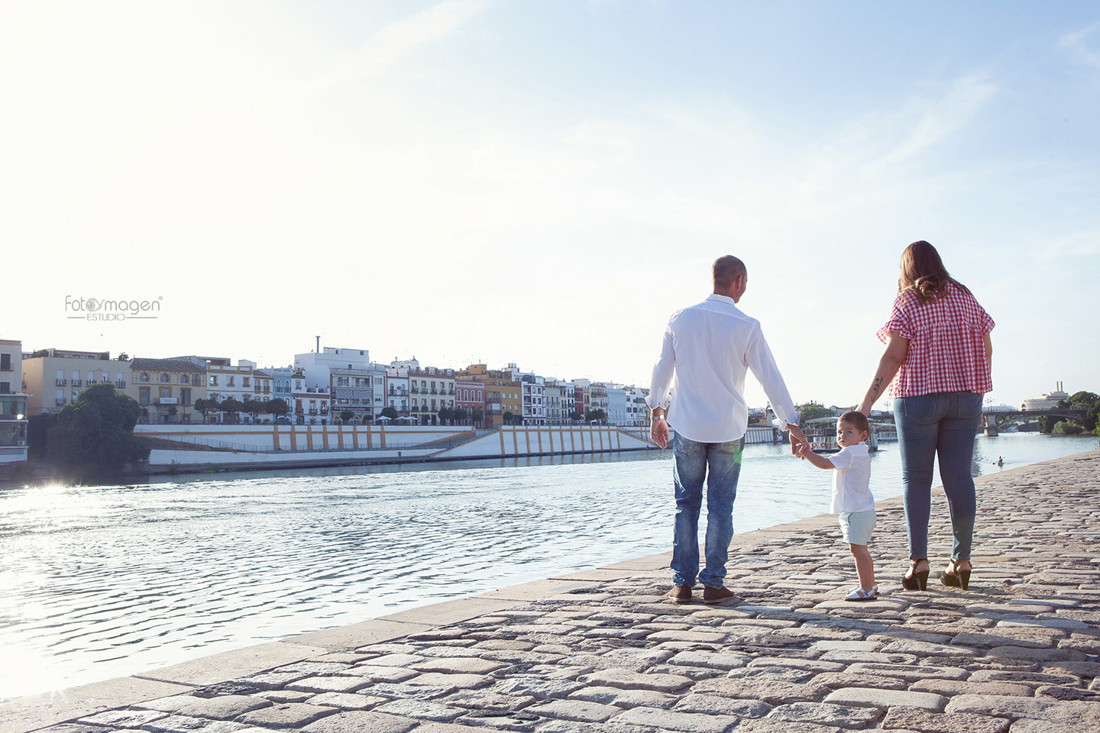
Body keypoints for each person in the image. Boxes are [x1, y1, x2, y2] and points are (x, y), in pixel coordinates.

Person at [648, 255, 808, 604]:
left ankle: (682, 583)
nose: (745, 288)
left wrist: (657, 413)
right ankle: (714, 584)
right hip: (729, 432)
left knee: (685, 504)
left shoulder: (681, 319)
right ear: (738, 280)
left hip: (688, 426)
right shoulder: (747, 325)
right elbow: (770, 376)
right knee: (721, 506)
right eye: (746, 282)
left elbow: (662, 369)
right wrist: (790, 423)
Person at [857, 241, 994, 592]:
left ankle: (919, 565)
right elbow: (986, 346)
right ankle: (960, 561)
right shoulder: (965, 296)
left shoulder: (908, 299)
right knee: (959, 479)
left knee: (917, 480)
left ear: (907, 269)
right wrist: (977, 393)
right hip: (966, 398)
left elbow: (893, 357)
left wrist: (865, 406)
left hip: (919, 398)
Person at [796, 411, 877, 601]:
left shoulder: (849, 453)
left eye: (849, 432)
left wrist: (807, 453)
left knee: (858, 551)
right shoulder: (861, 451)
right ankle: (869, 584)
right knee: (861, 550)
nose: (842, 436)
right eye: (839, 432)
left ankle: (867, 588)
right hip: (865, 510)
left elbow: (825, 464)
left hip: (856, 512)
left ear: (863, 435)